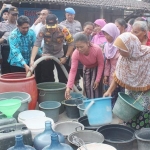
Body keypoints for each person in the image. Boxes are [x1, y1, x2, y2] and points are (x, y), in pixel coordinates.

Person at [104, 32, 150, 129]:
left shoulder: (147, 55)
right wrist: (109, 91)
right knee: (129, 114)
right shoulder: (123, 58)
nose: (118, 51)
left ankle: (143, 137)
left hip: (146, 93)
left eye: (121, 49)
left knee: (144, 114)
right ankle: (130, 134)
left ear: (131, 47)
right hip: (131, 92)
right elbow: (118, 76)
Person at [30, 14, 74, 83]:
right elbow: (36, 45)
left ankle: (63, 92)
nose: (51, 29)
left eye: (53, 27)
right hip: (47, 55)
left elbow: (71, 43)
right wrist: (32, 60)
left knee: (63, 77)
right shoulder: (43, 29)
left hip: (60, 55)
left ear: (57, 23)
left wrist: (66, 57)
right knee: (47, 77)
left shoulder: (64, 29)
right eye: (49, 27)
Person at [65, 32, 104, 99]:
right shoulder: (76, 53)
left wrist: (97, 80)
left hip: (97, 67)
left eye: (81, 47)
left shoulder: (96, 49)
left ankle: (97, 103)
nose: (79, 49)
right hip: (87, 67)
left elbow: (101, 64)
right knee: (87, 87)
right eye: (77, 47)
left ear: (88, 43)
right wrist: (69, 86)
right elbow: (73, 70)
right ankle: (88, 102)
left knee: (94, 87)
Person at [60, 7, 82, 91]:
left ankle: (77, 83)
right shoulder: (62, 24)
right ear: (66, 15)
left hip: (77, 47)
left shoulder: (78, 24)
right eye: (68, 15)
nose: (70, 17)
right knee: (67, 65)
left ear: (74, 15)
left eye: (72, 15)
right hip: (66, 47)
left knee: (77, 66)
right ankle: (68, 83)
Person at [101, 23, 122, 107]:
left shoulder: (120, 45)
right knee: (112, 92)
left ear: (114, 33)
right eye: (105, 35)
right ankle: (113, 109)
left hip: (122, 73)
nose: (107, 37)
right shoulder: (107, 46)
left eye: (108, 34)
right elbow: (108, 62)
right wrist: (106, 75)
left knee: (121, 92)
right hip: (112, 74)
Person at [30, 8, 50, 83]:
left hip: (47, 52)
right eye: (40, 14)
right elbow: (30, 32)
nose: (41, 16)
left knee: (47, 73)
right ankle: (38, 90)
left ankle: (47, 89)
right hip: (37, 51)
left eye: (44, 14)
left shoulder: (51, 25)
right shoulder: (37, 25)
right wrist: (35, 23)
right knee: (37, 72)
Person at [0, 6, 18, 74]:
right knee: (6, 72)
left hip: (17, 51)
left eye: (16, 15)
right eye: (13, 14)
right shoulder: (1, 25)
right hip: (5, 50)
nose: (15, 16)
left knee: (15, 72)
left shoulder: (19, 25)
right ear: (8, 14)